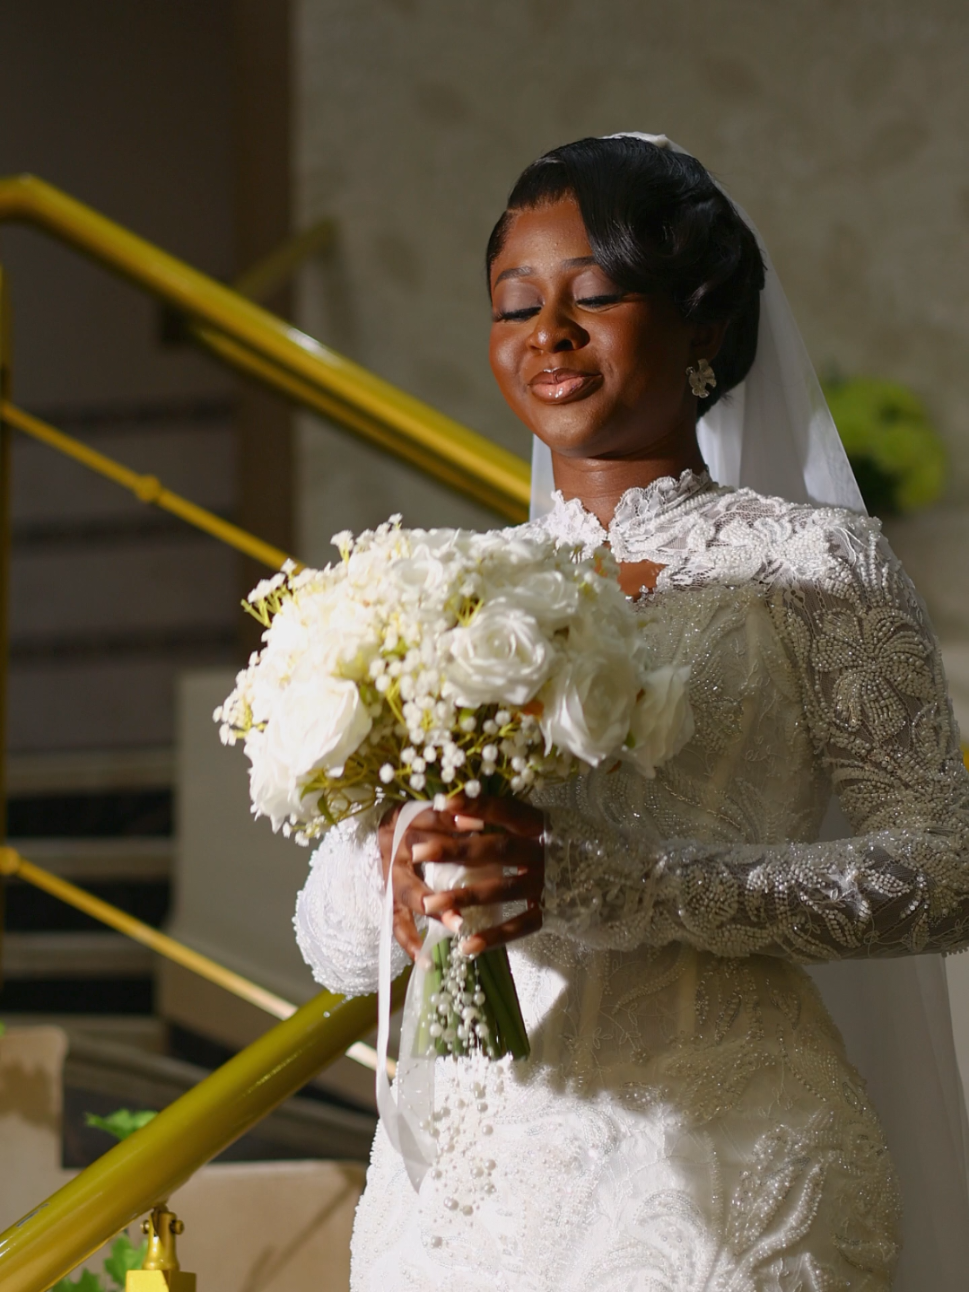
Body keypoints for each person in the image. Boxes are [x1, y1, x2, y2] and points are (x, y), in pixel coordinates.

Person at [294, 134, 969, 1291]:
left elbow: (945, 867)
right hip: (459, 1186)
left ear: (702, 323)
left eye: (595, 296)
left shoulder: (813, 563)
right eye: (516, 305)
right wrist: (394, 877)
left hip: (723, 1157)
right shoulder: (437, 593)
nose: (547, 332)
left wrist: (621, 884)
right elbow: (330, 942)